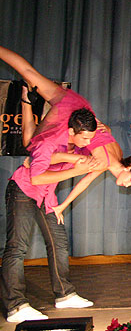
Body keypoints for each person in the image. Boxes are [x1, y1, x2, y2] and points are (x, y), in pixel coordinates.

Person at [0, 45, 101, 322]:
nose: (88, 144)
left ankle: (65, 294)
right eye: (84, 139)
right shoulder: (47, 142)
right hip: (23, 190)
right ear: (71, 131)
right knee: (16, 247)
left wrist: (82, 161)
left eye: (90, 139)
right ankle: (15, 306)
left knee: (58, 242)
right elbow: (36, 176)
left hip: (46, 197)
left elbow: (75, 161)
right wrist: (75, 169)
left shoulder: (76, 144)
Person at [19, 88, 131, 224]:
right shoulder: (104, 163)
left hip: (81, 122)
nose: (127, 185)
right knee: (30, 144)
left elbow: (105, 134)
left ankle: (28, 100)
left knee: (36, 144)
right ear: (129, 168)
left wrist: (102, 125)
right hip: (75, 128)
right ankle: (26, 101)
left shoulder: (117, 154)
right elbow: (84, 183)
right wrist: (62, 206)